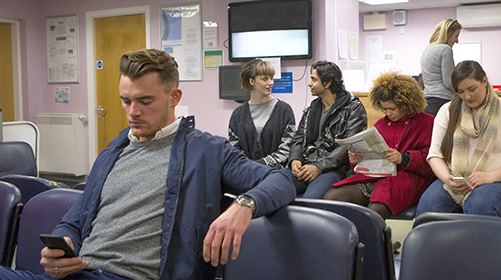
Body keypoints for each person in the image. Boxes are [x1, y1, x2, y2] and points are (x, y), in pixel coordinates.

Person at [0, 49, 295, 280]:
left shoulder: (206, 150)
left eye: (144, 101)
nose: (133, 111)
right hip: (78, 273)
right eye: (126, 101)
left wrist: (245, 205)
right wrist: (63, 245)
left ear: (174, 97)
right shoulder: (114, 151)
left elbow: (283, 180)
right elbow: (75, 220)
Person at [416, 61, 501, 217]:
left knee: (478, 205)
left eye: (472, 89)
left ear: (484, 81)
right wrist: (447, 179)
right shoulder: (447, 111)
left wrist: (491, 176)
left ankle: (473, 242)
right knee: (428, 206)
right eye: (461, 91)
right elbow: (435, 155)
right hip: (458, 180)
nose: (467, 96)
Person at [324, 72, 435, 219]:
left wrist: (404, 158)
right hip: (375, 178)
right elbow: (367, 162)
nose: (388, 114)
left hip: (406, 179)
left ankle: (374, 242)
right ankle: (345, 239)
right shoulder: (381, 125)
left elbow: (431, 160)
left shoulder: (427, 122)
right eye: (384, 109)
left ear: (406, 103)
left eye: (392, 109)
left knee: (375, 210)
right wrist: (356, 159)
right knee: (331, 198)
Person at [282, 61, 367, 198]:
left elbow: (348, 147)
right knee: (274, 185)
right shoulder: (312, 108)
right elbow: (298, 139)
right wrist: (295, 160)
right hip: (307, 164)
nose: (309, 83)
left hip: (334, 170)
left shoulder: (353, 108)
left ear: (327, 83)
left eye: (313, 79)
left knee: (309, 201)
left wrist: (319, 167)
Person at [228, 58, 296, 169]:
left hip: (276, 174)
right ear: (252, 81)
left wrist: (258, 165)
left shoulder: (284, 110)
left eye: (271, 78)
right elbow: (234, 149)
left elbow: (287, 149)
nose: (271, 83)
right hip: (246, 174)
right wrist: (248, 168)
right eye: (265, 79)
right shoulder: (238, 114)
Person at [420, 19, 462, 116]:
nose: (457, 41)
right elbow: (448, 82)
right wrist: (461, 91)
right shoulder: (446, 49)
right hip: (442, 101)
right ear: (448, 33)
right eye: (456, 36)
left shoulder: (427, 49)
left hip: (428, 101)